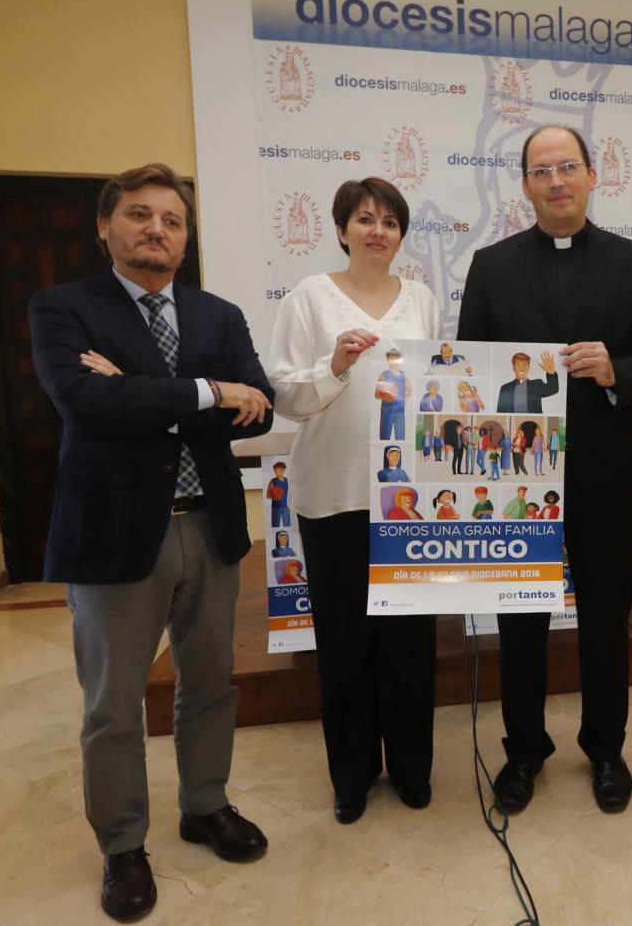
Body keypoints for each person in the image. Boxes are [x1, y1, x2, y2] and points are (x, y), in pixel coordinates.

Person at [28, 163, 272, 920]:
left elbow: (258, 412)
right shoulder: (62, 308)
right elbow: (83, 401)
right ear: (106, 227)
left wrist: (135, 390)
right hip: (112, 537)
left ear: (186, 236)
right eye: (138, 215)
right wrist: (206, 392)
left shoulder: (217, 315)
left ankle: (205, 806)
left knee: (209, 685)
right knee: (113, 704)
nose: (155, 230)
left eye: (171, 220)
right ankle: (123, 846)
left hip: (211, 527)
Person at [459, 124, 632, 814]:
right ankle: (523, 750)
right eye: (541, 170)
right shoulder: (490, 266)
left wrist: (618, 371)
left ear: (592, 174)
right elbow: (469, 372)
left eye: (568, 167)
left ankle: (605, 748)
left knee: (606, 622)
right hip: (516, 481)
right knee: (518, 622)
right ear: (524, 184)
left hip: (606, 476)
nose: (556, 181)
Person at [265, 176, 439, 826]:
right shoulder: (309, 298)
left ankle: (413, 769)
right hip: (331, 496)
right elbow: (284, 393)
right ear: (341, 230)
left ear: (400, 236)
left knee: (410, 641)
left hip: (406, 503)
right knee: (345, 643)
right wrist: (335, 366)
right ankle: (353, 774)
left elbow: (434, 389)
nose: (377, 231)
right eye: (364, 219)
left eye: (390, 222)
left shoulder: (421, 299)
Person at [376, 348, 409, 439]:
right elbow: (376, 394)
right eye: (391, 358)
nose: (393, 360)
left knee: (401, 439)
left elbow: (409, 390)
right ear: (387, 360)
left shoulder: (403, 375)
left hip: (400, 412)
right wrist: (386, 396)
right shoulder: (383, 375)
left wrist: (406, 399)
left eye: (396, 358)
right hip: (386, 412)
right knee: (384, 438)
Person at [267, 461, 291, 527]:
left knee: (287, 527)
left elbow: (291, 494)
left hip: (286, 507)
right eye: (275, 470)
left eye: (277, 469)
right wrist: (276, 494)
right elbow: (268, 496)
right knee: (275, 527)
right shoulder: (272, 481)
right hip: (275, 508)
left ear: (283, 470)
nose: (275, 471)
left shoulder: (287, 480)